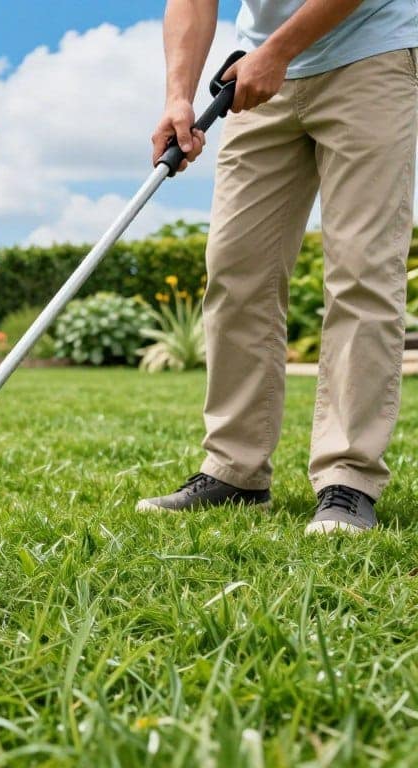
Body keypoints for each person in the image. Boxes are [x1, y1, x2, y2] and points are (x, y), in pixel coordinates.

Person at [137, 0, 418, 533]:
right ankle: (235, 472)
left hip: (370, 54)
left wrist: (280, 50)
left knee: (362, 271)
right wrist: (178, 96)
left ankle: (348, 479)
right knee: (236, 272)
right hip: (259, 74)